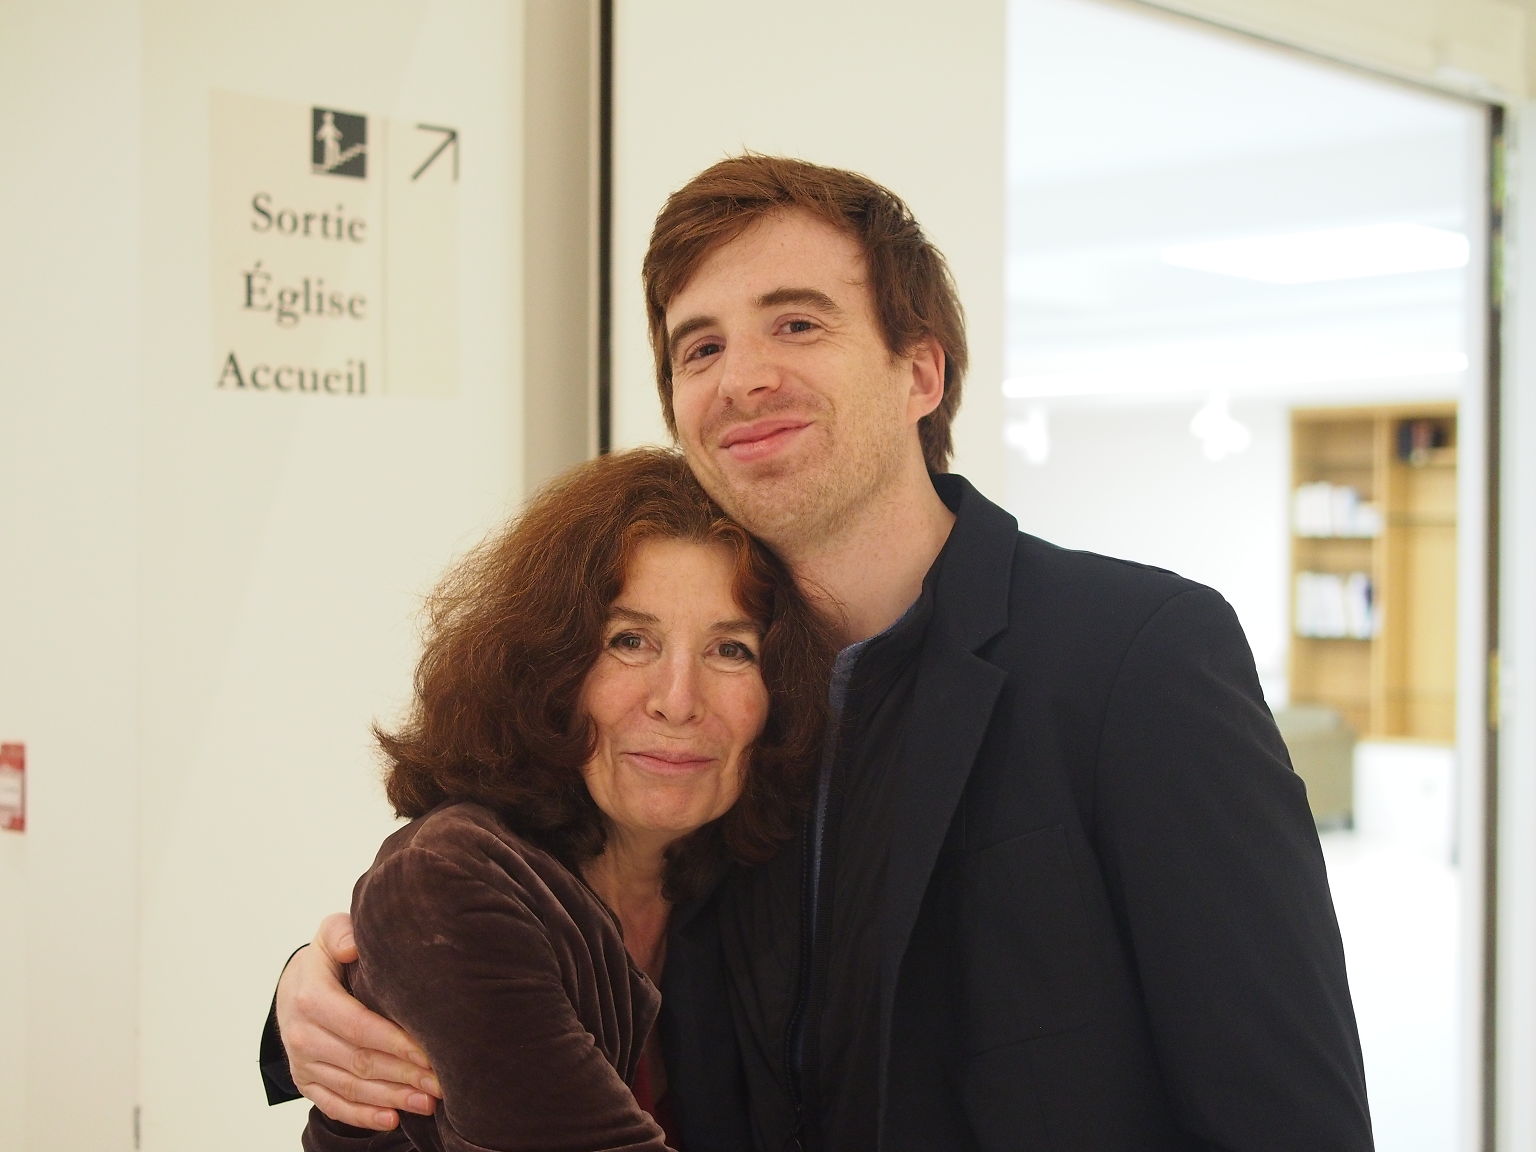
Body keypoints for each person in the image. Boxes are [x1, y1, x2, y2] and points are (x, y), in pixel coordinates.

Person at [266, 155, 1375, 1151]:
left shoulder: (1136, 654)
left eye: (796, 324)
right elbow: (512, 902)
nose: (742, 377)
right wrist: (311, 996)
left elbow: (1287, 1111)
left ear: (921, 374)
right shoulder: (705, 705)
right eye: (701, 346)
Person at [297, 447, 832, 1151]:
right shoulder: (450, 877)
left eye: (731, 650)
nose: (678, 701)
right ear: (551, 669)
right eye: (630, 641)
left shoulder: (740, 888)